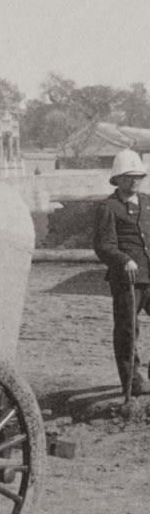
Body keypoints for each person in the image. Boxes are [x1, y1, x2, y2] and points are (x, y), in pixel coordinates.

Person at [94, 148, 150, 395]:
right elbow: (103, 245)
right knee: (128, 329)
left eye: (138, 176)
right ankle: (132, 381)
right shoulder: (109, 207)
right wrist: (123, 260)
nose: (134, 181)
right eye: (129, 176)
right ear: (117, 179)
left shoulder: (148, 203)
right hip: (128, 278)